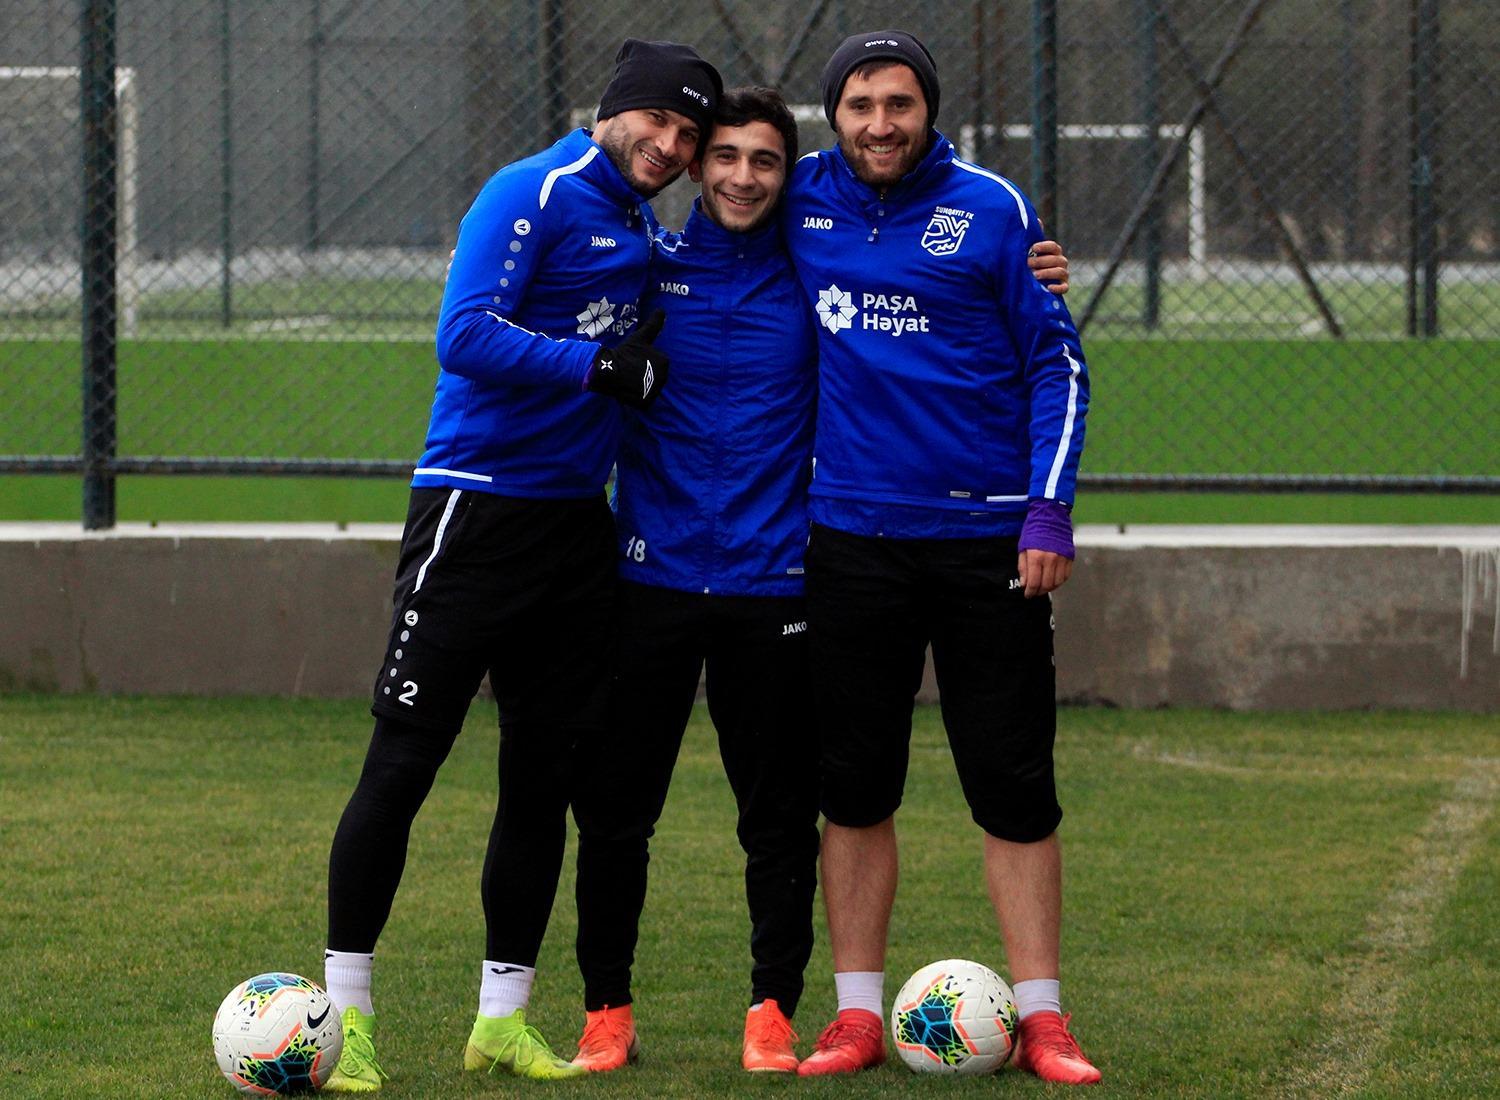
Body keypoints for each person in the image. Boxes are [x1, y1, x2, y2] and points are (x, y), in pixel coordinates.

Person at [562, 86, 1074, 1075]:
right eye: (722, 157)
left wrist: (1032, 262)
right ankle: (606, 1008)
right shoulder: (648, 267)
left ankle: (776, 1009)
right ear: (696, 165)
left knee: (785, 814)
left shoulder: (811, 255)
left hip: (781, 580)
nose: (742, 177)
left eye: (763, 160)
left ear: (787, 174)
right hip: (655, 576)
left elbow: (963, 288)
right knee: (618, 807)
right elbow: (563, 299)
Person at [318, 39, 721, 1092]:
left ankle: (502, 1020)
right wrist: (595, 365)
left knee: (542, 782)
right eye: (658, 122)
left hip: (575, 535)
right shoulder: (529, 190)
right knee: (403, 763)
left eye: (688, 135)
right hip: (475, 511)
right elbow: (463, 335)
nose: (670, 146)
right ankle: (343, 1018)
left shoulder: (647, 230)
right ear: (614, 109)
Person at [782, 30, 1100, 1085]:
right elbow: (715, 222)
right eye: (861, 104)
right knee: (854, 790)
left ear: (929, 110)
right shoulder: (797, 195)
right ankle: (855, 1016)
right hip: (850, 541)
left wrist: (1046, 512)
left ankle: (1044, 1019)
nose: (881, 124)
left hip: (986, 545)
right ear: (835, 113)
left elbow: (1059, 367)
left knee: (1014, 786)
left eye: (900, 104)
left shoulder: (995, 210)